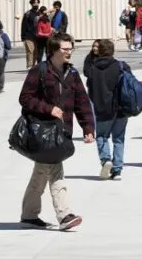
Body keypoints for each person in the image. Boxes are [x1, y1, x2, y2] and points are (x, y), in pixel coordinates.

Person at [18, 33, 94, 231]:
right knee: (55, 171)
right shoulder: (39, 71)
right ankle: (64, 214)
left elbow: (82, 102)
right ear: (53, 50)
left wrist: (88, 127)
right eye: (65, 49)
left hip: (62, 131)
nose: (69, 52)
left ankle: (29, 215)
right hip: (43, 131)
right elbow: (25, 99)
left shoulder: (73, 74)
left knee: (41, 173)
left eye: (71, 48)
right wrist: (48, 109)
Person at [87, 39, 132, 180]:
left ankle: (106, 159)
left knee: (101, 136)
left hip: (103, 108)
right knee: (118, 138)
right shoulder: (121, 66)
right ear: (113, 51)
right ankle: (117, 170)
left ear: (99, 51)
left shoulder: (93, 68)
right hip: (121, 108)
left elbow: (91, 90)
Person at [19, 0, 41, 69]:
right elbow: (23, 25)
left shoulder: (40, 13)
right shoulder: (28, 14)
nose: (36, 4)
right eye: (34, 3)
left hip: (38, 37)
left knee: (36, 52)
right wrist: (23, 36)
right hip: (29, 36)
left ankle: (34, 66)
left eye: (37, 3)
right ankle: (29, 65)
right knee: (30, 51)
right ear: (31, 4)